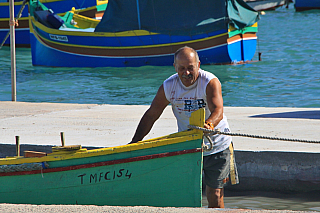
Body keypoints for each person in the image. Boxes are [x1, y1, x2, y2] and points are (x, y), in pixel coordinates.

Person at [130, 46, 238, 208]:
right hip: (189, 147)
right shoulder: (168, 86)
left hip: (217, 145)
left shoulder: (210, 82)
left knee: (215, 195)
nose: (186, 73)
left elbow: (218, 110)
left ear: (198, 65)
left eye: (190, 68)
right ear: (175, 67)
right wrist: (135, 143)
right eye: (181, 69)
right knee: (186, 194)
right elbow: (152, 115)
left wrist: (209, 124)